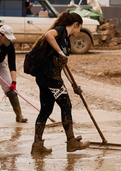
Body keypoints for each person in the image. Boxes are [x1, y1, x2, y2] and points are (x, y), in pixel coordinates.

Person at [30, 11, 90, 154]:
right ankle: (71, 142)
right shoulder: (61, 31)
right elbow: (48, 35)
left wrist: (73, 85)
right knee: (66, 105)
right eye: (80, 27)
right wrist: (60, 52)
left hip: (47, 77)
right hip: (50, 77)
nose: (80, 31)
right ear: (76, 24)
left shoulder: (67, 41)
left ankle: (37, 145)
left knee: (45, 110)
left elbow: (63, 65)